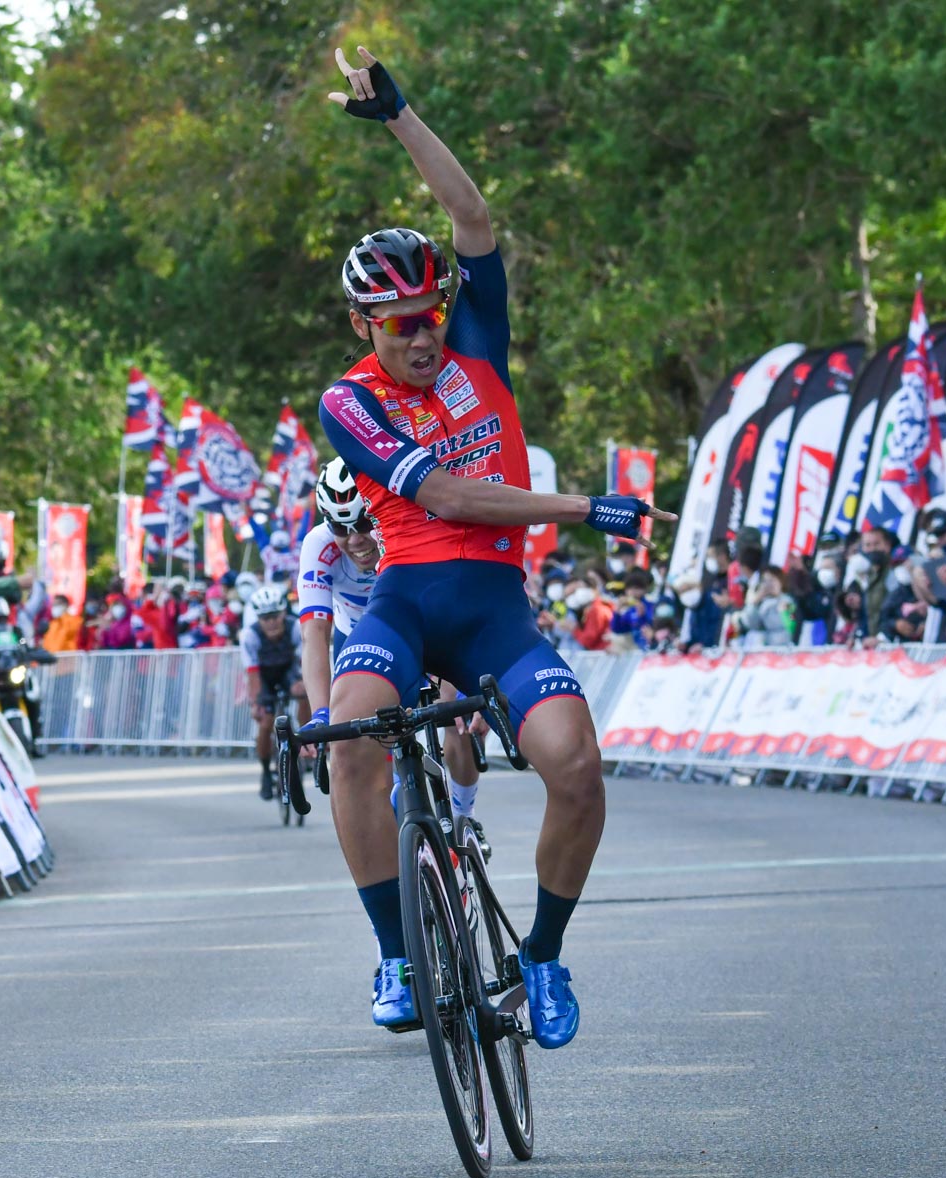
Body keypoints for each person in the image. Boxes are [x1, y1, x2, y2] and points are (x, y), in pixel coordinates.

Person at [314, 48, 667, 1047]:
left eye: (431, 319)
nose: (422, 340)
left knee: (577, 767)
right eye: (399, 328)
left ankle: (543, 958)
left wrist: (401, 118)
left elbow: (472, 220)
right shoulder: (351, 400)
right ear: (363, 326)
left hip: (495, 612)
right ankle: (393, 951)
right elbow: (450, 494)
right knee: (348, 744)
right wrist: (577, 507)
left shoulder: (476, 347)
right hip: (407, 602)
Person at [298, 458, 485, 835]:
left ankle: (463, 818)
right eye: (340, 526)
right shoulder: (318, 546)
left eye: (364, 523)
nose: (355, 540)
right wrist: (320, 713)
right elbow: (314, 635)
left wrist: (468, 679)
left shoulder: (414, 526)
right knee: (355, 748)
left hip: (430, 631)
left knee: (457, 723)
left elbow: (463, 602)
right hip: (359, 642)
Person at [241, 584, 305, 799]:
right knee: (266, 722)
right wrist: (256, 704)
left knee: (303, 691)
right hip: (264, 677)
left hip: (288, 670)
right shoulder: (250, 635)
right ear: (258, 618)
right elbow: (252, 674)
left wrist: (305, 685)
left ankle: (306, 735)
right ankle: (265, 771)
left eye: (275, 616)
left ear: (283, 613)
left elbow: (305, 662)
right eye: (265, 618)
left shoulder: (295, 627)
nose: (271, 622)